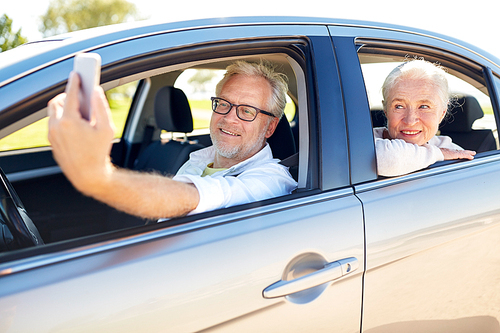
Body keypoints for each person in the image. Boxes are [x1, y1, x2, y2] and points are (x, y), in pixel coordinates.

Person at [48, 60, 297, 220]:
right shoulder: (197, 159)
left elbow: (193, 198)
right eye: (223, 104)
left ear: (270, 127)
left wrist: (97, 177)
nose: (229, 118)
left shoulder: (271, 181)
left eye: (247, 111)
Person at [374, 59, 476, 177]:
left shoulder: (451, 150)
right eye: (399, 106)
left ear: (442, 113)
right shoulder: (364, 142)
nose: (410, 121)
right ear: (386, 111)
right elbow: (386, 160)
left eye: (424, 106)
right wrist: (439, 154)